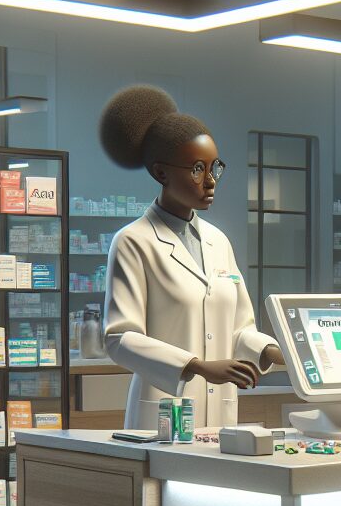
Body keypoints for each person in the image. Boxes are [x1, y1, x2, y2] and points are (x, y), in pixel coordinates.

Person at [99, 85, 283, 429]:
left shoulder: (218, 241)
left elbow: (239, 329)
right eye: (197, 169)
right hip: (162, 413)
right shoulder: (134, 242)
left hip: (220, 414)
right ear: (161, 173)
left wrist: (276, 353)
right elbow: (119, 337)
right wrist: (196, 366)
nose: (210, 181)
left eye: (215, 167)